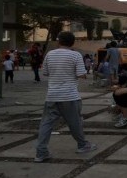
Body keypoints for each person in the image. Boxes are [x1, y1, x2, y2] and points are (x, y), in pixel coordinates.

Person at [34, 31, 97, 163]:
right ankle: (82, 145)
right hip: (69, 96)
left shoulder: (50, 54)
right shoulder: (75, 55)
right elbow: (81, 75)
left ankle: (41, 153)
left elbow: (45, 73)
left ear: (59, 41)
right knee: (75, 122)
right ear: (72, 42)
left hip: (52, 96)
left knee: (46, 123)